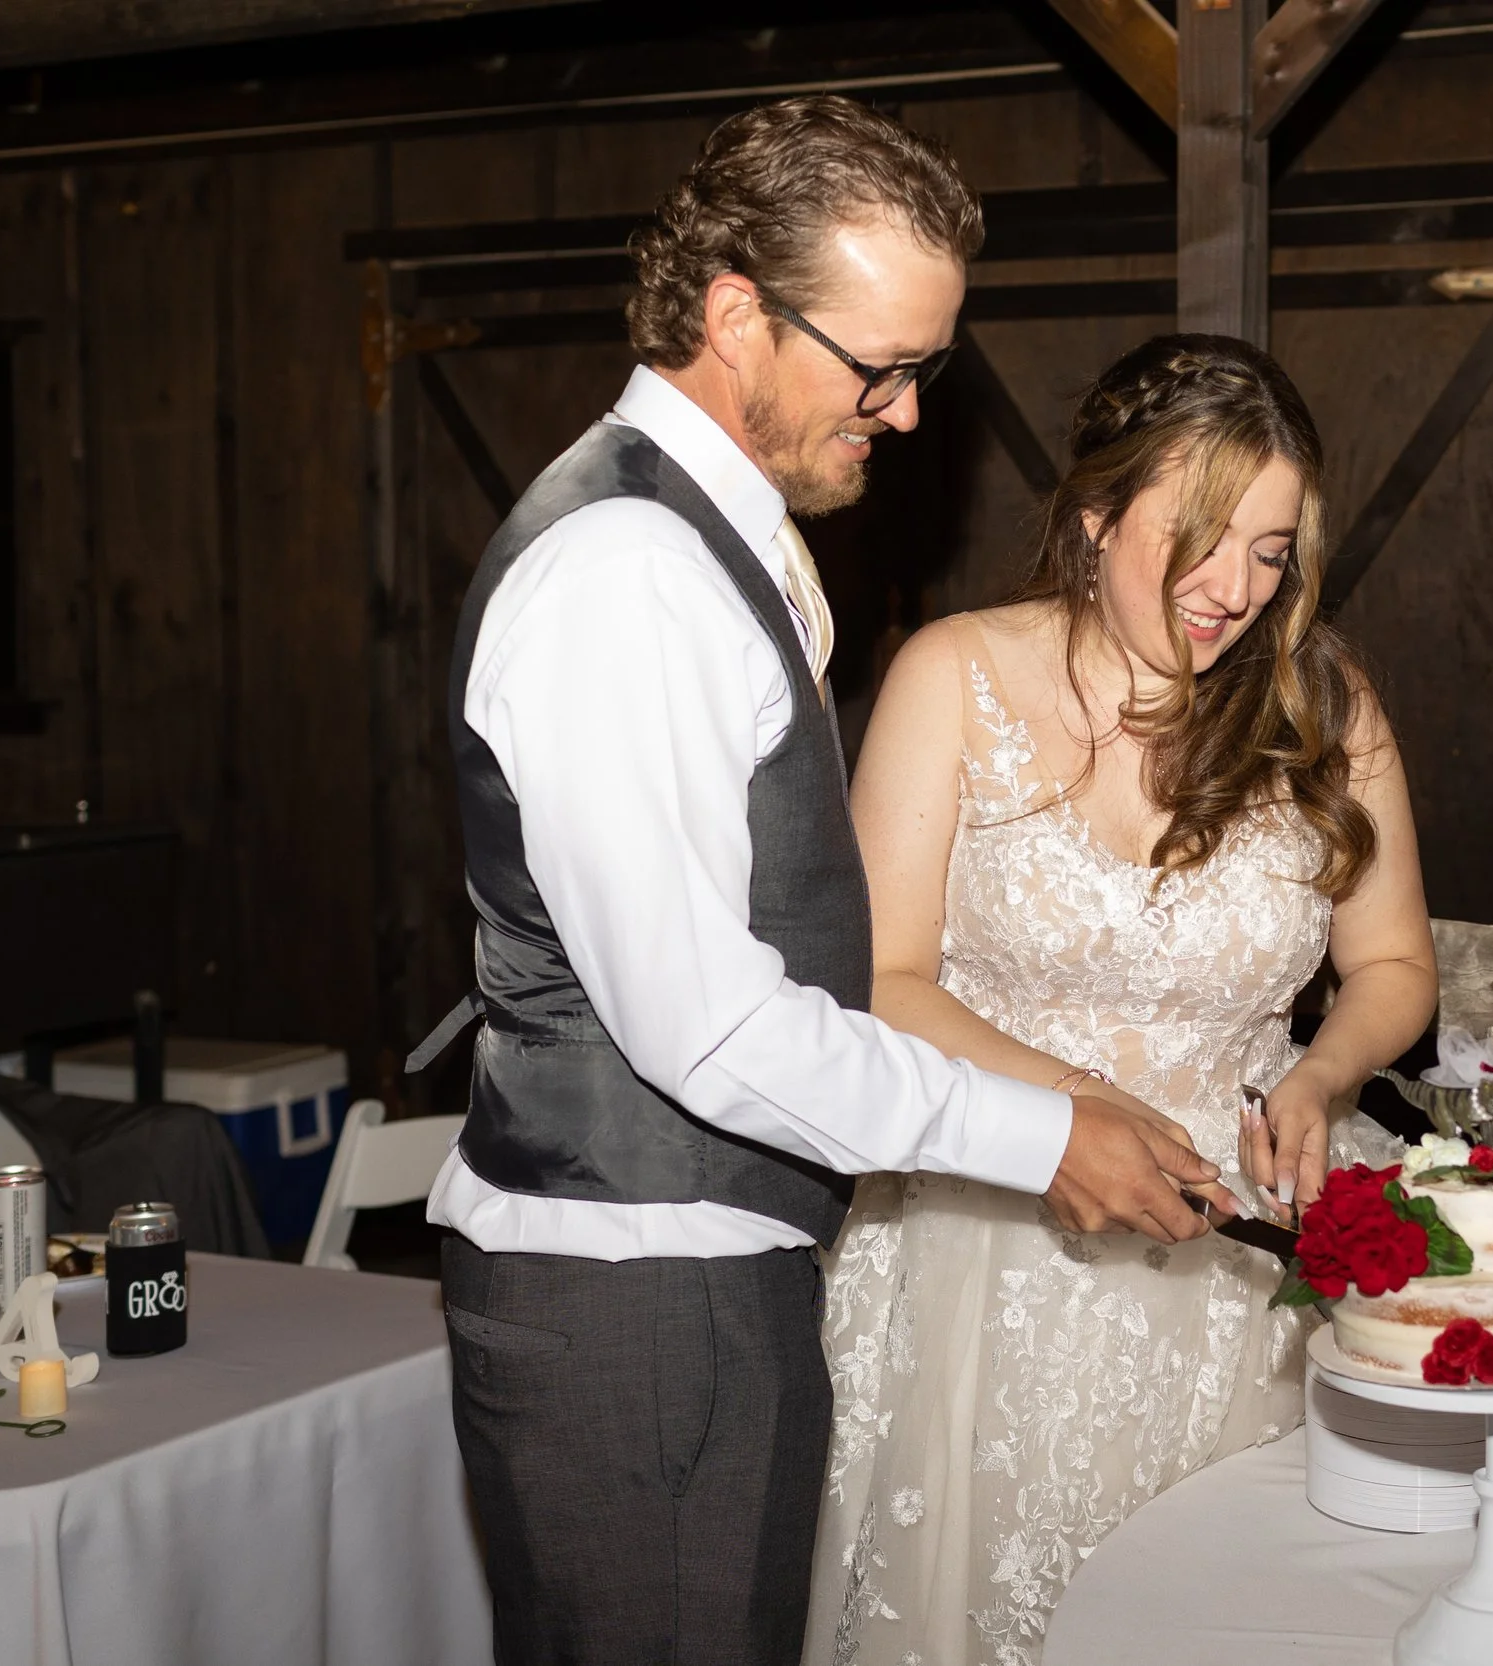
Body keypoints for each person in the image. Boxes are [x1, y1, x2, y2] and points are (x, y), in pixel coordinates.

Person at [415, 98, 1232, 1666]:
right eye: (884, 368)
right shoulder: (625, 576)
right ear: (735, 314)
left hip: (704, 1280)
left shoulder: (715, 541)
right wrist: (1041, 1134)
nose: (912, 414)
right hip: (635, 1305)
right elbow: (709, 1030)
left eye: (928, 367)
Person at [805, 334, 1439, 1666]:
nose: (1235, 589)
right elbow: (879, 978)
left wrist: (1321, 1079)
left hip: (1248, 1244)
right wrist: (1078, 1099)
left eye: (1271, 551)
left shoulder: (1324, 699)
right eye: (1202, 538)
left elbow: (1392, 969)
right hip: (996, 1235)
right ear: (1095, 516)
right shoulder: (953, 674)